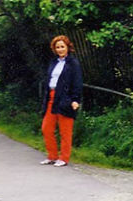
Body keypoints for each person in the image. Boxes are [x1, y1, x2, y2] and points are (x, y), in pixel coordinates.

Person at [39, 35, 83, 168]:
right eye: (57, 47)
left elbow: (77, 82)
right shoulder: (54, 62)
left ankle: (64, 158)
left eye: (62, 47)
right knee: (46, 128)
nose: (60, 49)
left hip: (66, 99)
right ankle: (52, 155)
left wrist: (75, 100)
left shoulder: (73, 63)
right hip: (52, 98)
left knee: (65, 130)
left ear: (67, 48)